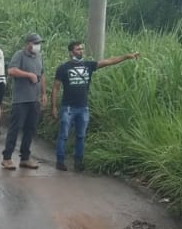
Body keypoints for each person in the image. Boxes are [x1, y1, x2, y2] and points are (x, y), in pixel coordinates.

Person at [51, 39, 140, 171]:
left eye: (81, 49)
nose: (81, 51)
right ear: (71, 52)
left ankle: (78, 162)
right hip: (68, 108)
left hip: (83, 107)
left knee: (81, 136)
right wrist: (53, 107)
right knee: (63, 135)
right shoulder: (63, 68)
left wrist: (126, 56)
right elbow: (56, 88)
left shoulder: (88, 65)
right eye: (77, 49)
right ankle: (60, 161)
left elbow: (109, 61)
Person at [1, 32, 46, 169]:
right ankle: (7, 157)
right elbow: (11, 71)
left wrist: (44, 93)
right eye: (36, 43)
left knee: (30, 129)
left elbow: (42, 75)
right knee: (15, 128)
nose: (38, 46)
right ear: (28, 43)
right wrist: (28, 75)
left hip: (34, 99)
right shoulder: (19, 55)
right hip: (21, 100)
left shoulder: (39, 57)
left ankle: (25, 158)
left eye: (39, 43)